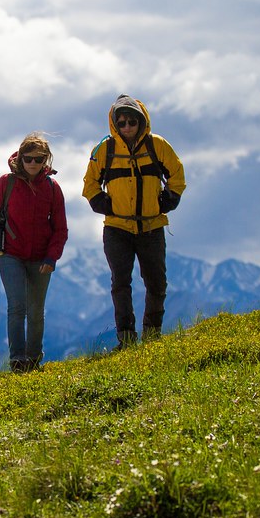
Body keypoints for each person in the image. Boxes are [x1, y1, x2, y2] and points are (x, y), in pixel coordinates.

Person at [82, 94, 186, 349]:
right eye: (122, 122)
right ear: (115, 124)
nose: (127, 127)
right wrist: (103, 205)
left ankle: (152, 336)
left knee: (156, 282)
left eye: (132, 122)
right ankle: (126, 339)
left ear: (141, 121)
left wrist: (167, 201)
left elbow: (177, 174)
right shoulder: (104, 150)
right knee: (120, 283)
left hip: (152, 225)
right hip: (117, 228)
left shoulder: (158, 145)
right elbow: (90, 183)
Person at [0, 132, 68, 373]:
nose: (32, 163)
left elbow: (60, 229)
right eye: (28, 158)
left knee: (36, 311)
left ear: (45, 160)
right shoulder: (5, 183)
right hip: (10, 254)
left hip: (41, 258)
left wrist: (52, 258)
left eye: (38, 159)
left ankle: (34, 358)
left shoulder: (53, 188)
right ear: (20, 158)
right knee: (17, 306)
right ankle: (18, 361)